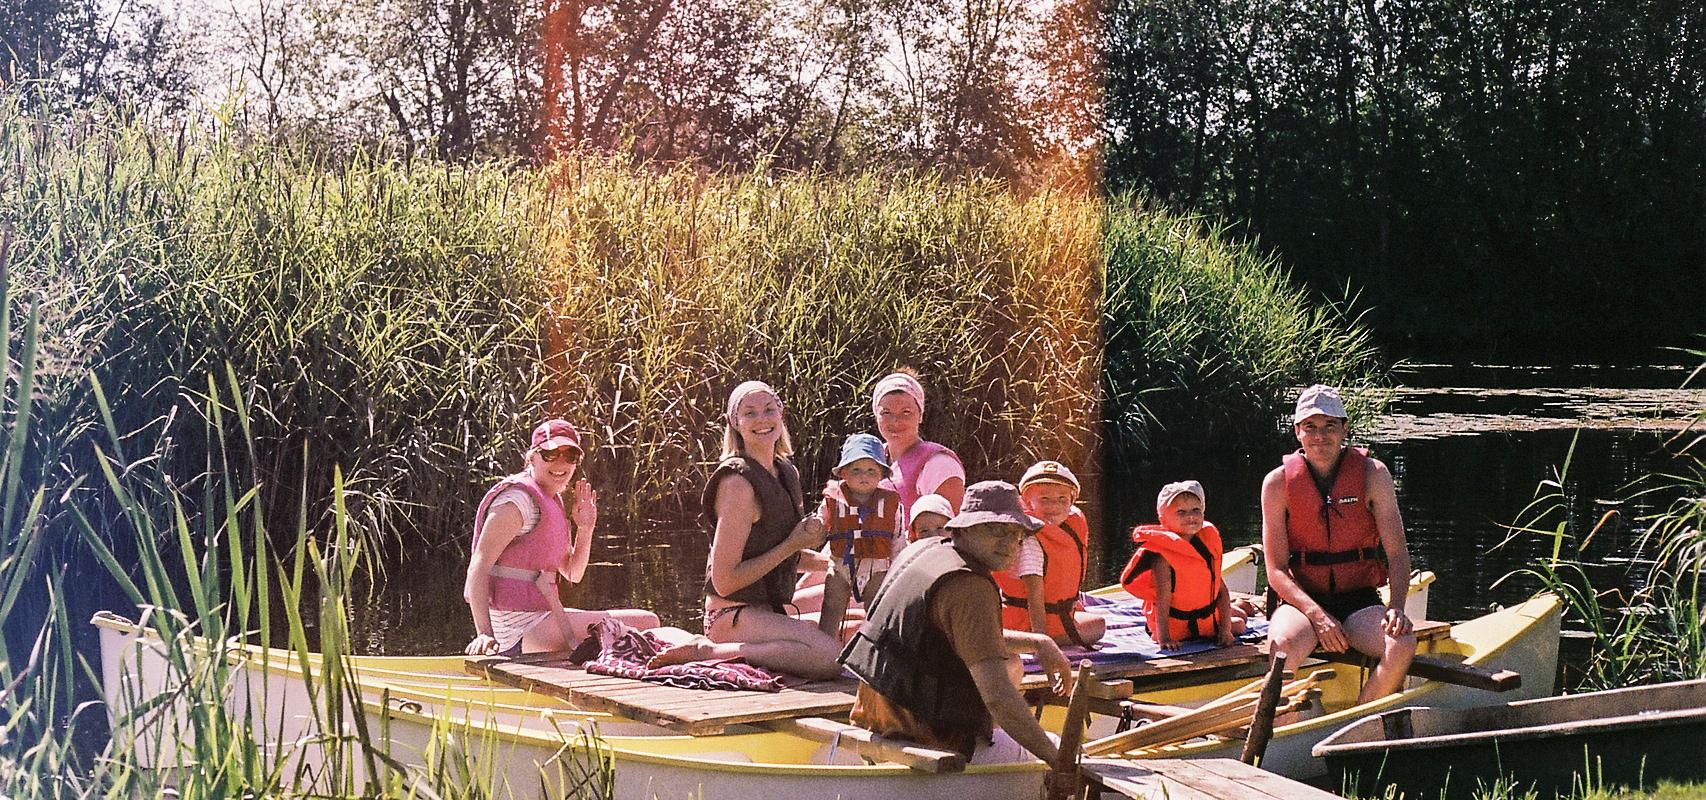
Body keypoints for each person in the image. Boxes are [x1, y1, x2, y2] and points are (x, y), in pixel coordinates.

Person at [840, 481, 1074, 766]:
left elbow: (964, 632)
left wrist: (1038, 642)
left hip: (872, 724)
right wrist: (1061, 763)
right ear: (963, 529)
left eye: (1016, 534)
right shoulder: (969, 585)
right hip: (927, 741)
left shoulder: (924, 550)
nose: (1008, 543)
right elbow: (999, 700)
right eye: (995, 530)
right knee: (1061, 748)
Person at [646, 381, 845, 680]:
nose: (762, 419)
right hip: (730, 616)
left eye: (769, 409)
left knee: (855, 627)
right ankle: (709, 651)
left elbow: (778, 554)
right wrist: (793, 544)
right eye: (749, 413)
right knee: (832, 659)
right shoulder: (737, 485)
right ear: (734, 423)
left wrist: (837, 562)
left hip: (768, 614)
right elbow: (724, 582)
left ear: (781, 413)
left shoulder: (786, 472)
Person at [1262, 384, 1416, 702]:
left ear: (1344, 428)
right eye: (1311, 427)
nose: (1320, 436)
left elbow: (1398, 554)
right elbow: (1275, 570)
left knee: (1401, 643)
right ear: (1298, 432)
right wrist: (1317, 616)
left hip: (1358, 600)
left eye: (1330, 425)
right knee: (1281, 647)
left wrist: (1397, 608)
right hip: (1301, 603)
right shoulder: (1277, 483)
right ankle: (1284, 725)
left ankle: (1359, 720)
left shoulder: (1375, 475)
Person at [464, 419, 660, 657]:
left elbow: (573, 573)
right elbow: (479, 565)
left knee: (648, 621)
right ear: (533, 457)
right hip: (519, 632)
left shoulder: (551, 501)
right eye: (550, 454)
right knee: (648, 624)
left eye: (570, 457)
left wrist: (586, 528)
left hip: (543, 620)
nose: (561, 463)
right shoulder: (516, 502)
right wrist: (484, 633)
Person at [1119, 481, 1245, 649]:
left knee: (1239, 621)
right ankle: (1241, 606)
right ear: (1163, 518)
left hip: (1205, 619)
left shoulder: (1206, 545)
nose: (1191, 517)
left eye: (1196, 510)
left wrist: (1224, 630)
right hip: (1174, 626)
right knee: (1239, 620)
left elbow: (1221, 590)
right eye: (1181, 512)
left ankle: (1242, 605)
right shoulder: (1162, 557)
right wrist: (1164, 639)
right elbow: (1163, 600)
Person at [994, 460, 1106, 647]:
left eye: (1062, 499)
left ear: (1072, 502)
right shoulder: (1031, 539)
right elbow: (1034, 596)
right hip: (1027, 624)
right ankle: (1029, 642)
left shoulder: (1067, 528)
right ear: (1028, 501)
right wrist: (1042, 643)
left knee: (1086, 615)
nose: (1054, 506)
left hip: (1048, 617)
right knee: (1098, 626)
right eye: (1044, 499)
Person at [815, 433, 904, 638]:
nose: (864, 475)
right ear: (844, 473)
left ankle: (875, 655)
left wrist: (898, 569)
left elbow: (898, 538)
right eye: (856, 470)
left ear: (881, 473)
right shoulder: (833, 500)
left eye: (871, 470)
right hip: (840, 567)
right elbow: (820, 522)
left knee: (878, 616)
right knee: (831, 609)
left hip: (877, 568)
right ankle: (823, 649)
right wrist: (814, 527)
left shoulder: (891, 504)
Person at [871, 370, 966, 525]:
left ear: (920, 415)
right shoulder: (868, 458)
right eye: (886, 413)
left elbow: (949, 532)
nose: (895, 421)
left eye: (906, 412)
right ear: (876, 416)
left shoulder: (939, 464)